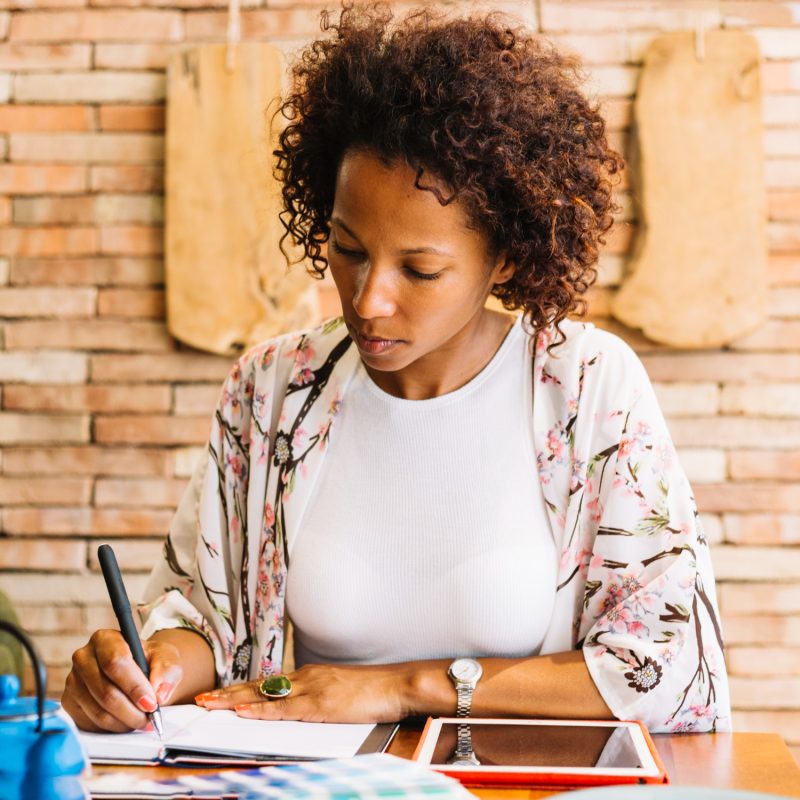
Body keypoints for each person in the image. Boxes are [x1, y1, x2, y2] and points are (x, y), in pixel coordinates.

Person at [62, 2, 731, 736]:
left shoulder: (589, 389)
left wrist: (399, 688)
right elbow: (208, 624)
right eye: (348, 250)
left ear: (505, 257)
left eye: (420, 269)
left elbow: (668, 670)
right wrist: (145, 666)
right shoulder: (273, 392)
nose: (368, 299)